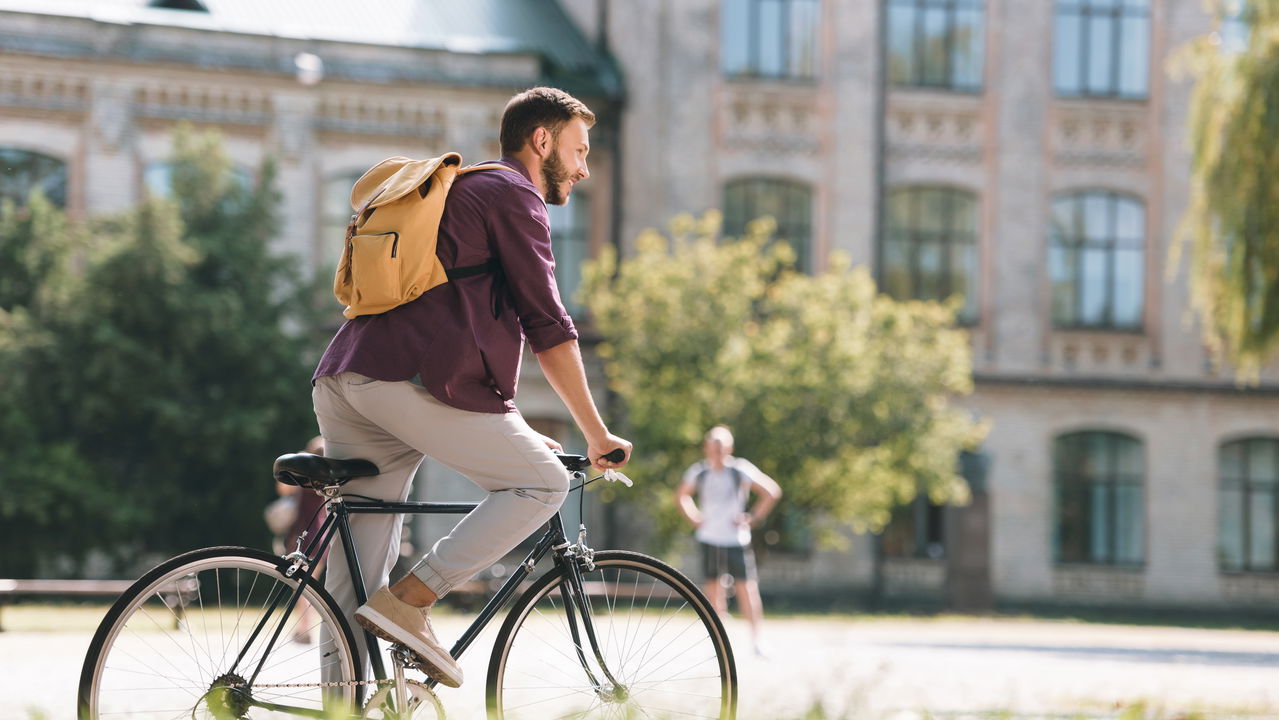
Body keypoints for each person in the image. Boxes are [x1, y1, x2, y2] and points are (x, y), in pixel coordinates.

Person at [310, 86, 631, 689]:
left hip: (348, 374)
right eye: (580, 149)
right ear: (542, 141)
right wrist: (595, 432)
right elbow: (548, 325)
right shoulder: (514, 195)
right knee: (542, 481)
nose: (586, 167)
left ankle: (342, 704)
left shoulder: (462, 188)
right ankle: (412, 599)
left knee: (352, 580)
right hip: (407, 382)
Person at [675, 425, 781, 657]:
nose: (717, 450)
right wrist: (694, 517)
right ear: (706, 447)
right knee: (713, 590)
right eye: (713, 445)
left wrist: (752, 518)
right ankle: (719, 642)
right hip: (710, 537)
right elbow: (682, 495)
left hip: (736, 539)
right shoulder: (699, 472)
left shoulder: (740, 469)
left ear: (729, 447)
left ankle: (757, 639)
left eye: (721, 446)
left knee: (747, 588)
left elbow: (771, 491)